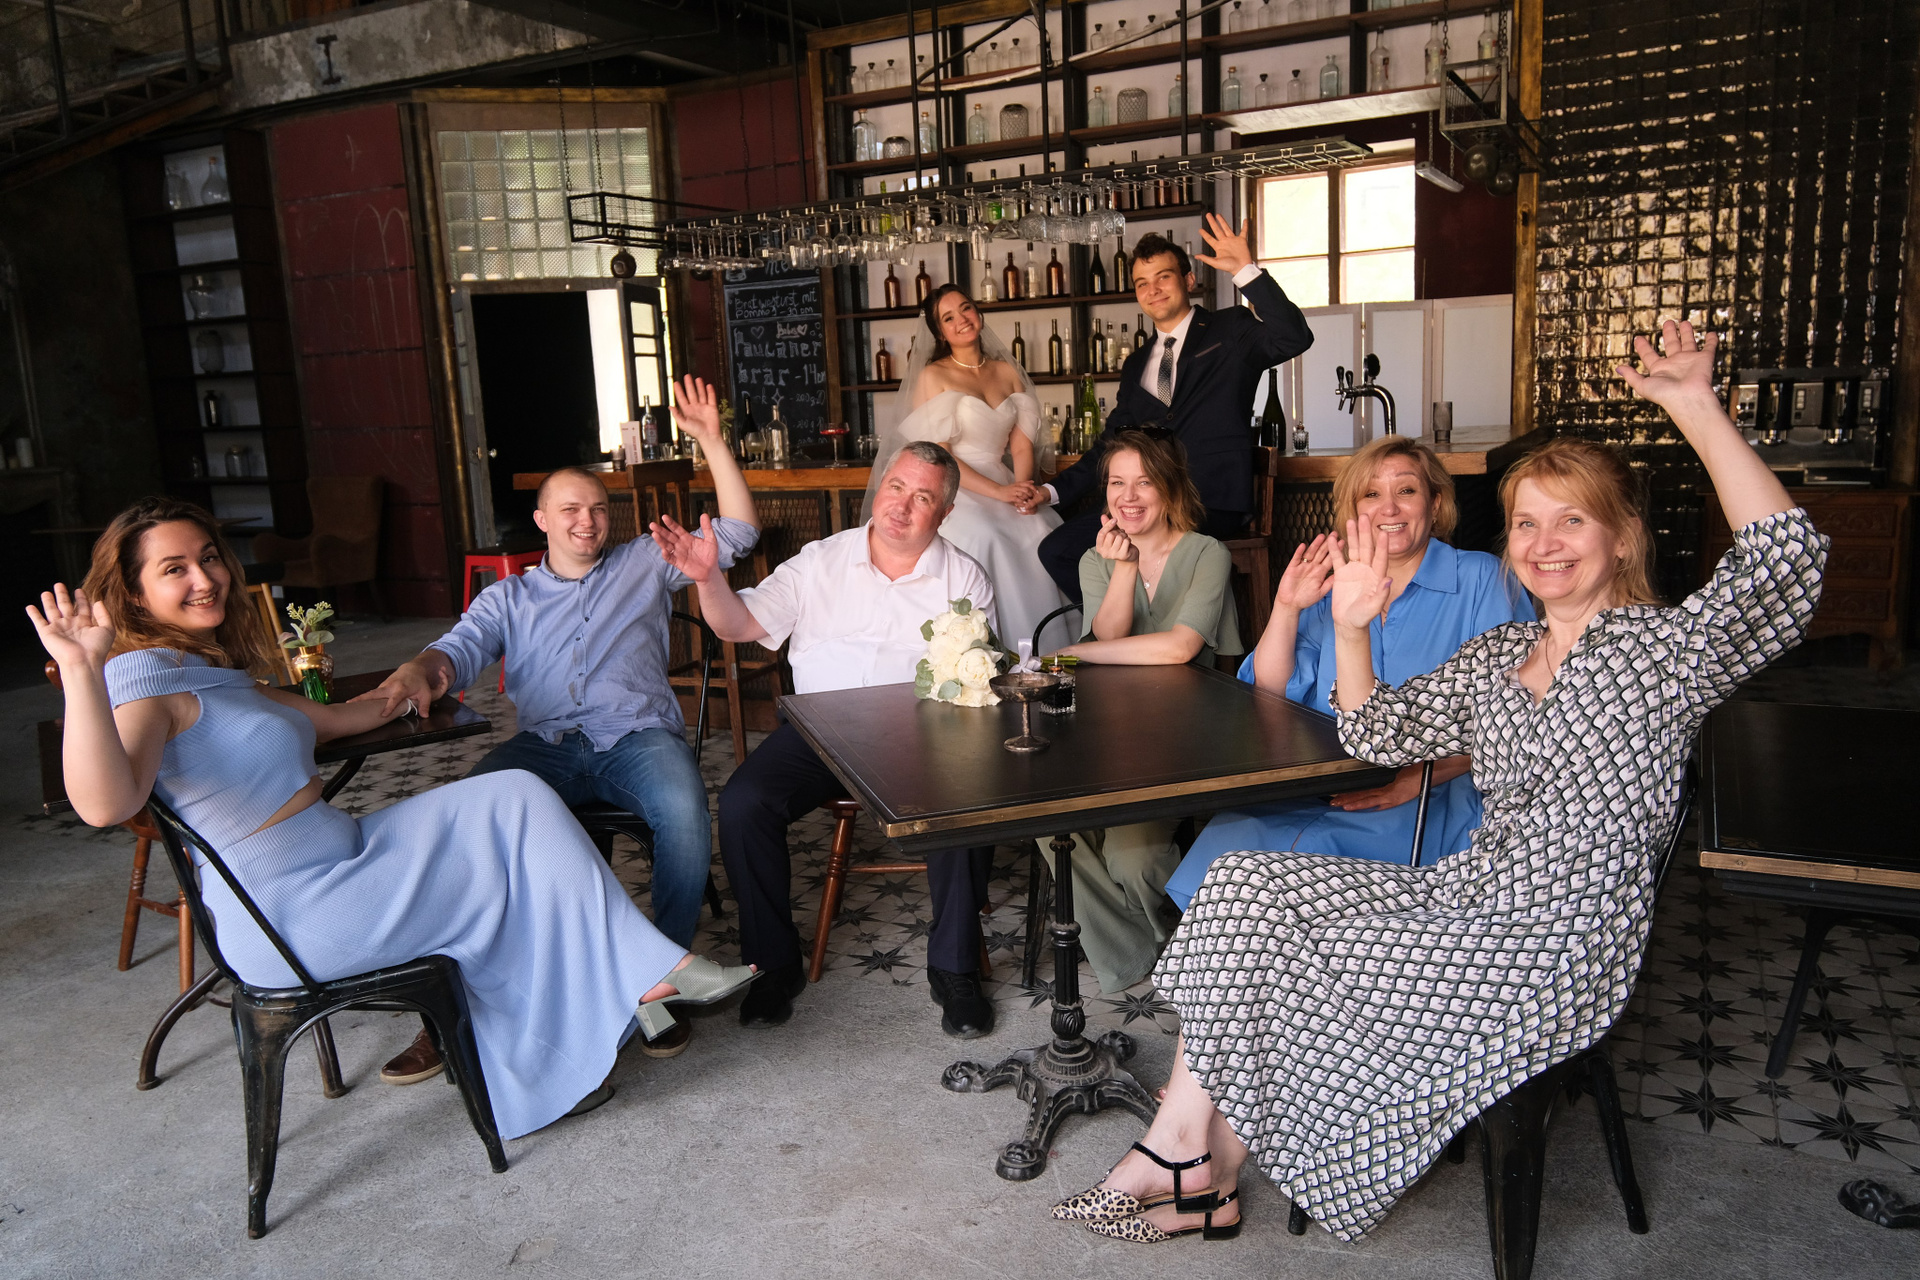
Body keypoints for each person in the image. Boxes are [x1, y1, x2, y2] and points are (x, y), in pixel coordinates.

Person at [1051, 320, 1826, 1244]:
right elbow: (1378, 731)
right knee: (1243, 885)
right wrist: (1349, 627)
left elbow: (1785, 568)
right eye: (1527, 522)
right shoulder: (1505, 653)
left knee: (1295, 947)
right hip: (1472, 891)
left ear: (1623, 540)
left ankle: (1193, 1163)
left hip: (1562, 940)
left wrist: (1696, 405)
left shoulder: (1664, 652)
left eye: (1572, 520)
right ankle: (1189, 1152)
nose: (1544, 543)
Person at [29, 500, 757, 1141]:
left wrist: (412, 680)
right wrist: (84, 672)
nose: (204, 578)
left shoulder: (209, 673)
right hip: (293, 912)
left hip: (342, 859)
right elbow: (105, 804)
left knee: (514, 796)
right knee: (506, 877)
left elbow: (343, 718)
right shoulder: (138, 681)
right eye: (174, 569)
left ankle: (616, 996)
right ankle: (617, 1000)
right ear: (133, 592)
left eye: (209, 557)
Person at [362, 375, 758, 1077]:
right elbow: (457, 650)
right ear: (541, 520)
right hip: (544, 747)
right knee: (463, 822)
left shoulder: (645, 562)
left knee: (686, 811)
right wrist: (421, 669)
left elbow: (740, 534)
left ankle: (657, 981)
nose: (587, 521)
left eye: (599, 509)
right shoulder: (508, 597)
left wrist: (713, 444)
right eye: (570, 509)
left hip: (637, 739)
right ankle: (454, 1004)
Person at [653, 441, 1002, 1038]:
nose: (901, 506)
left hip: (920, 732)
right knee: (744, 803)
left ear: (945, 513)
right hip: (821, 729)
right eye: (896, 487)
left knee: (964, 798)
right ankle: (772, 965)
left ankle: (955, 968)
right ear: (880, 487)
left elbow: (977, 680)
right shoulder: (820, 560)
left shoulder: (963, 575)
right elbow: (739, 624)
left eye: (923, 498)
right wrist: (708, 579)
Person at [1164, 435, 1533, 905]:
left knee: (1283, 875)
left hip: (1432, 794)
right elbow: (1269, 691)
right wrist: (1286, 607)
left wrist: (1412, 781)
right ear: (1354, 512)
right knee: (1231, 841)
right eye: (1371, 494)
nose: (1389, 508)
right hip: (1322, 784)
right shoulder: (1341, 585)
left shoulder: (1482, 578)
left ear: (1436, 504)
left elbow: (1516, 720)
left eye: (1407, 490)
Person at [1039, 430, 1242, 996]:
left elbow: (1180, 648)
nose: (1128, 497)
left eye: (1144, 483)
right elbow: (1111, 635)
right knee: (1050, 829)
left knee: (1134, 859)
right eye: (1116, 483)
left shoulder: (1206, 552)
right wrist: (1123, 568)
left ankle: (1158, 946)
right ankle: (1145, 952)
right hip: (1108, 731)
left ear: (1170, 486)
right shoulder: (1097, 557)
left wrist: (1074, 652)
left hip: (1183, 734)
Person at [1027, 214, 1314, 599]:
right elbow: (1110, 445)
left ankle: (1150, 623)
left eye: (1163, 276)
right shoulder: (1136, 364)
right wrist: (1050, 491)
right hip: (1149, 502)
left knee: (1143, 542)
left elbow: (1294, 337)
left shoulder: (1229, 329)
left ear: (1188, 280)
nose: (1153, 289)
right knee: (1057, 549)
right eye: (1142, 283)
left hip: (1211, 498)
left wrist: (1245, 271)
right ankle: (1124, 624)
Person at [868, 284, 1065, 649]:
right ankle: (994, 649)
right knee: (988, 535)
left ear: (978, 312)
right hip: (957, 484)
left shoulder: (1006, 371)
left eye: (966, 308)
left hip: (1003, 476)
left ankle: (1049, 650)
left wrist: (1022, 490)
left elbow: (1021, 444)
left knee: (1040, 528)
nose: (961, 319)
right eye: (948, 317)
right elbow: (939, 455)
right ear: (940, 333)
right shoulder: (933, 376)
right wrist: (1000, 492)